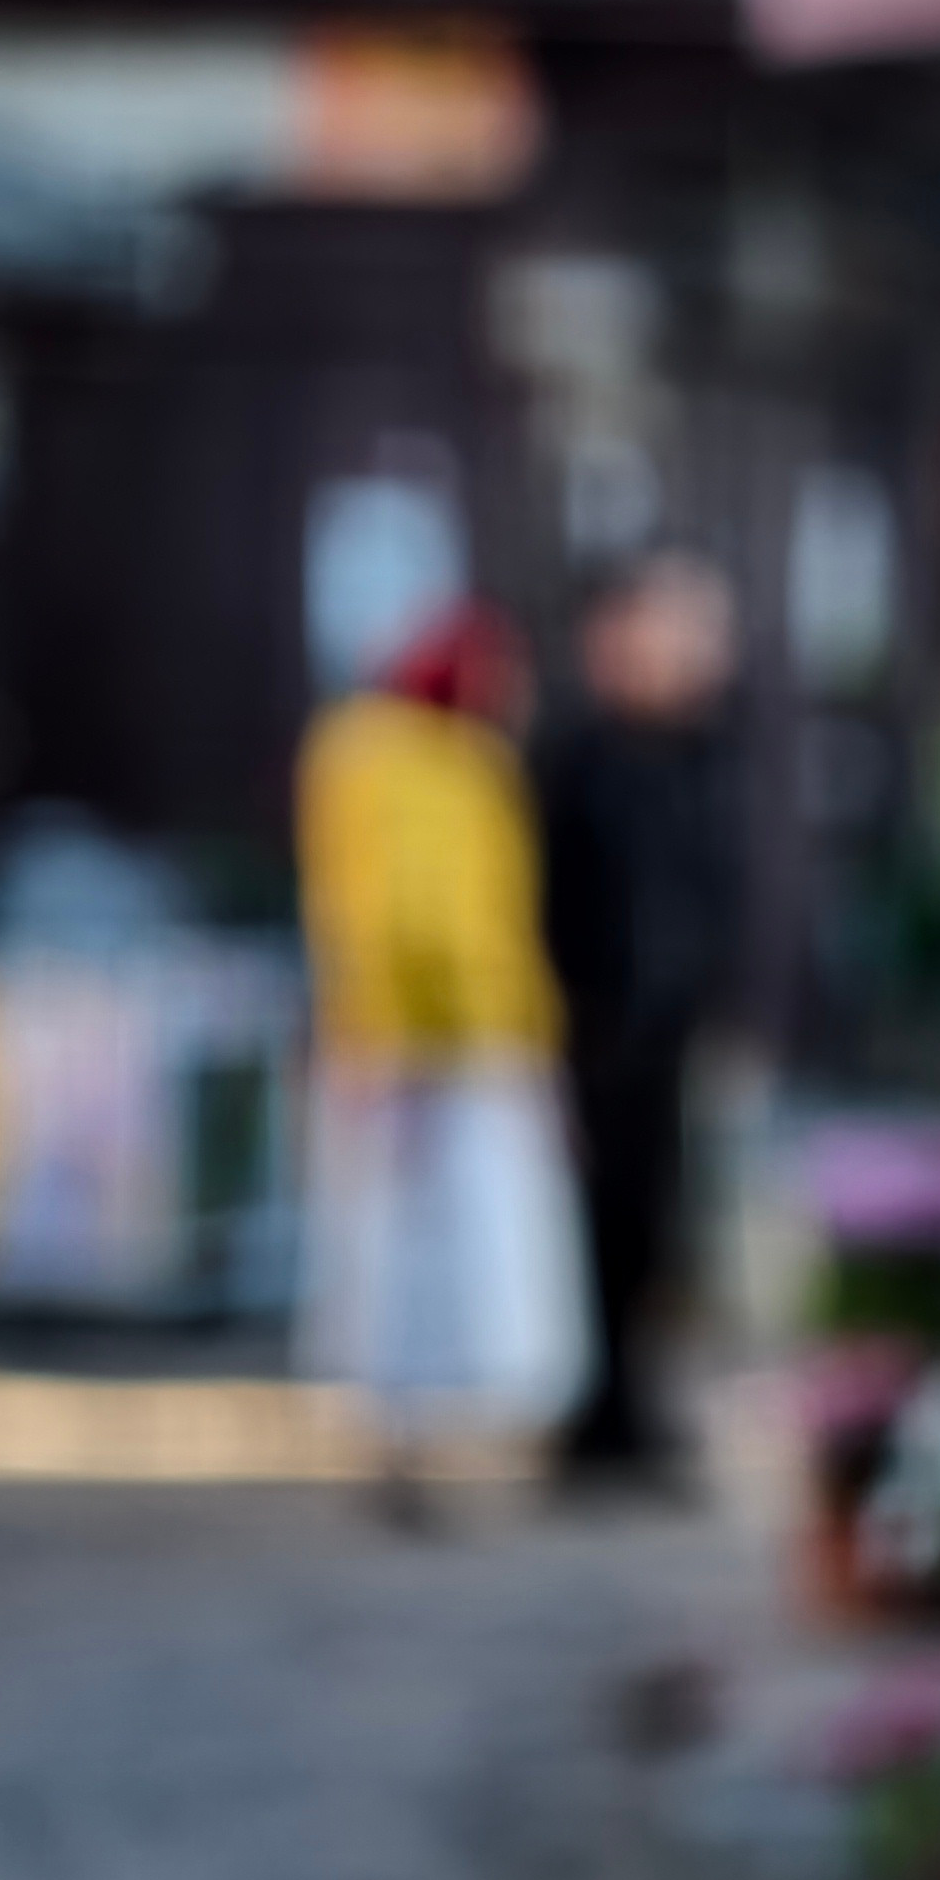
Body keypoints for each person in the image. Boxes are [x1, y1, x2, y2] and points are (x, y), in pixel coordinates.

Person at [296, 600, 590, 1501]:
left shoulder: (468, 760)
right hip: (416, 1046)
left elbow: (493, 914)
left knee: (459, 1247)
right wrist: (391, 1025)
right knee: (399, 1247)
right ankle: (398, 1428)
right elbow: (385, 913)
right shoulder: (381, 756)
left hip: (469, 1039)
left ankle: (441, 1422)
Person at [537, 550, 740, 1480]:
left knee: (656, 1228)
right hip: (594, 1031)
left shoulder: (695, 756)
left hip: (665, 1032)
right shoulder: (578, 762)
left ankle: (633, 1405)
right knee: (595, 1227)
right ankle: (592, 1409)